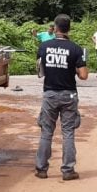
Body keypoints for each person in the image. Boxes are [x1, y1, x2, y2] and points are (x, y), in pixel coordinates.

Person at [35, 14, 88, 181]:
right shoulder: (75, 49)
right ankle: (68, 170)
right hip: (69, 94)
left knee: (46, 132)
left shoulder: (44, 46)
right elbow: (84, 75)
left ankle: (41, 169)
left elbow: (40, 71)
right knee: (68, 133)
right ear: (69, 29)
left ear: (55, 28)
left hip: (49, 93)